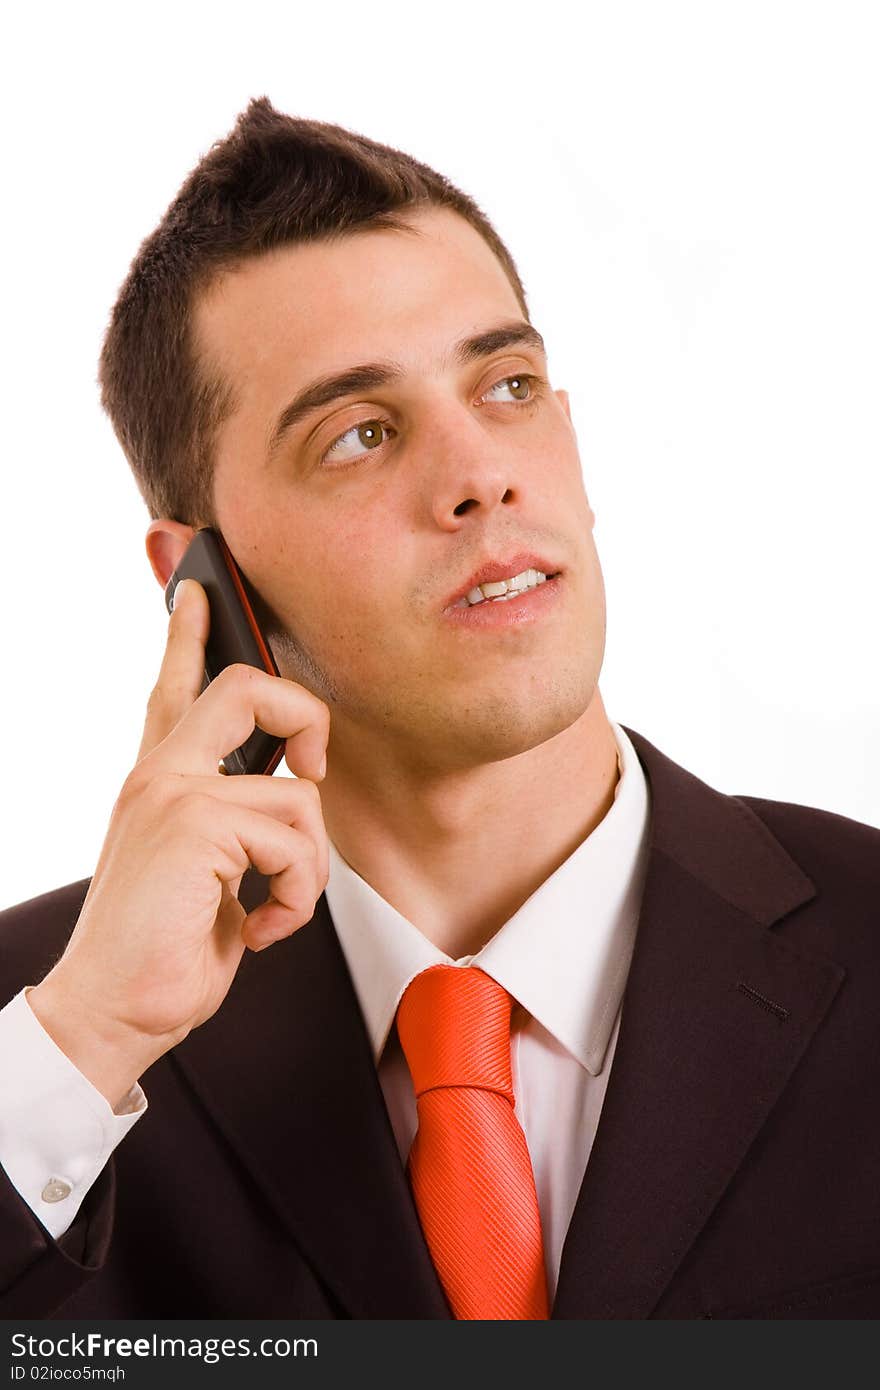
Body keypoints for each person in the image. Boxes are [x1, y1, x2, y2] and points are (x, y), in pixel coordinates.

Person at [1, 97, 878, 1322]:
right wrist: (85, 1039)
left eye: (507, 385)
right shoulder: (47, 1033)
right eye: (359, 434)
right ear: (201, 577)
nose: (478, 474)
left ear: (566, 433)